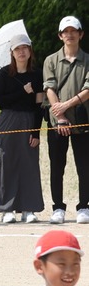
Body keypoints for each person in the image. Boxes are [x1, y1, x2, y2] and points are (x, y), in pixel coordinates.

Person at [0, 35, 44, 224]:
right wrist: (22, 91)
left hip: (29, 120)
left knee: (28, 164)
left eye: (25, 48)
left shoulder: (37, 74)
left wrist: (35, 132)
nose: (21, 52)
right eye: (17, 49)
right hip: (8, 120)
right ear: (12, 53)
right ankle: (7, 209)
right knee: (6, 163)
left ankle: (28, 209)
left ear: (30, 51)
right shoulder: (5, 73)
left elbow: (39, 105)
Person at [42, 16, 89, 225]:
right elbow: (49, 87)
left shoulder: (87, 59)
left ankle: (84, 207)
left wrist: (66, 106)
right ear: (60, 36)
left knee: (84, 166)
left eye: (74, 31)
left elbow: (88, 89)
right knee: (57, 166)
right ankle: (58, 207)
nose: (69, 35)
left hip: (82, 120)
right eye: (65, 31)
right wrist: (59, 116)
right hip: (56, 123)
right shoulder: (50, 60)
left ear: (81, 34)